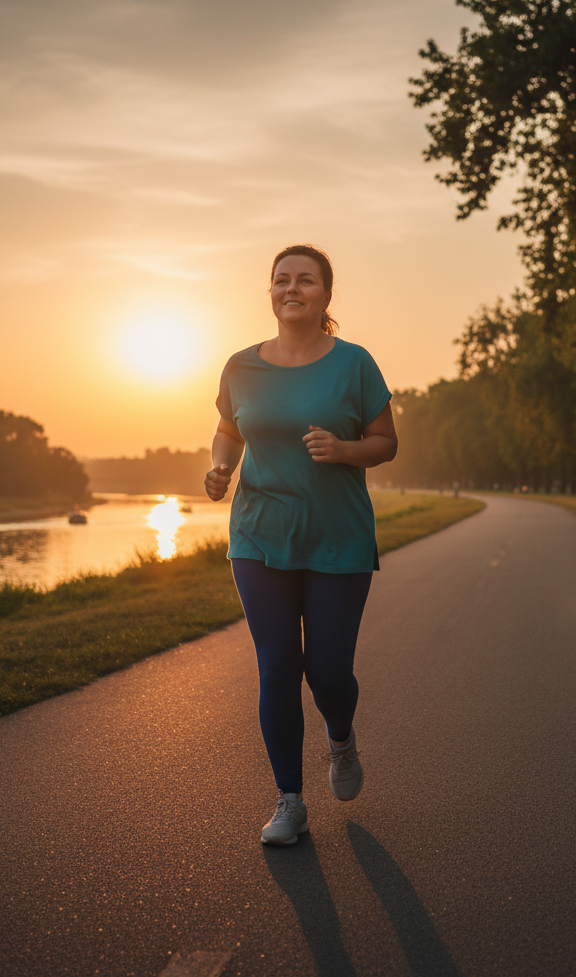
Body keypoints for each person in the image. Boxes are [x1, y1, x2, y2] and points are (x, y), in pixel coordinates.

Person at [205, 245, 398, 846]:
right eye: (281, 280)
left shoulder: (354, 364)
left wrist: (344, 451)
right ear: (270, 292)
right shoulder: (241, 366)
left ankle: (340, 738)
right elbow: (228, 430)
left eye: (305, 280)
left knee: (330, 673)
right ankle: (289, 798)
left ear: (325, 295)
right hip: (259, 536)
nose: (292, 288)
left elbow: (386, 442)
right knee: (279, 667)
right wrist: (219, 468)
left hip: (336, 537)